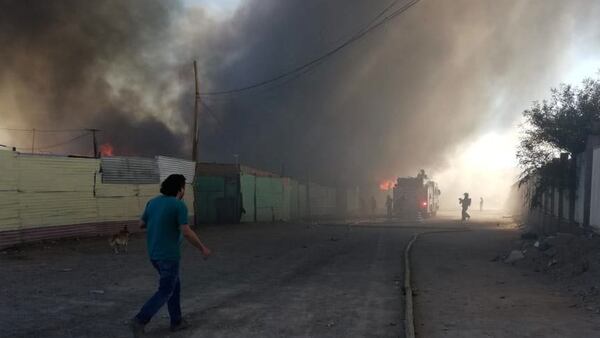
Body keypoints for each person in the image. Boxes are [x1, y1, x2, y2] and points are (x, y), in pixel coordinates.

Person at [130, 174, 211, 337]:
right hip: (168, 255)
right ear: (180, 189)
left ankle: (176, 321)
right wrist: (202, 248)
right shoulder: (178, 205)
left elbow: (141, 224)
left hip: (154, 255)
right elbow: (186, 232)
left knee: (175, 286)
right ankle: (140, 319)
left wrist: (157, 222)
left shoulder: (152, 202)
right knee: (166, 290)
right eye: (184, 187)